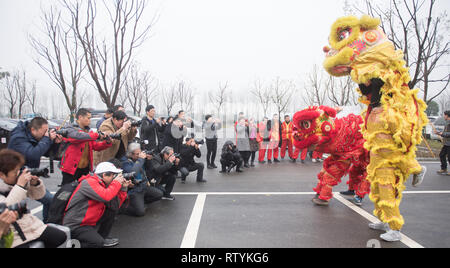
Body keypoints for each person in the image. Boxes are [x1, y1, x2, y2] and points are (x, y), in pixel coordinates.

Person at [0, 149, 67, 248]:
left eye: (19, 170)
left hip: (32, 227)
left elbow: (38, 195)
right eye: (15, 172)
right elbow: (6, 208)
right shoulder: (13, 186)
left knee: (61, 236)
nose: (18, 174)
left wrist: (34, 183)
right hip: (16, 236)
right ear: (1, 174)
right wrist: (20, 185)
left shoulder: (14, 183)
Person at [63, 162, 130, 248]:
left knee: (111, 211)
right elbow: (106, 196)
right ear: (104, 175)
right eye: (113, 175)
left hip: (88, 221)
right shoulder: (89, 182)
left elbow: (115, 206)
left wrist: (123, 188)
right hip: (76, 224)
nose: (114, 178)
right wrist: (116, 183)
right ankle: (71, 245)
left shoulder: (104, 184)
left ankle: (102, 237)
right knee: (96, 243)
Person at [8, 117, 62, 222]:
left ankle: (47, 224)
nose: (46, 133)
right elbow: (33, 154)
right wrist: (47, 139)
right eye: (44, 131)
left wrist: (55, 143)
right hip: (13, 179)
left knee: (50, 200)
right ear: (33, 129)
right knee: (15, 209)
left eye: (47, 131)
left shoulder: (34, 136)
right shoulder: (18, 138)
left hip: (28, 176)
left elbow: (45, 152)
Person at [59, 108, 112, 186]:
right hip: (70, 168)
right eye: (88, 118)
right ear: (80, 117)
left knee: (84, 191)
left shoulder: (89, 132)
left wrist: (107, 142)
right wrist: (97, 135)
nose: (90, 120)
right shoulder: (70, 129)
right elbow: (79, 137)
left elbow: (95, 146)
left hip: (85, 168)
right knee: (67, 191)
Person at [119, 143, 164, 217]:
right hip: (134, 190)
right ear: (130, 154)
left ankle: (141, 202)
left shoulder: (139, 159)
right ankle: (122, 208)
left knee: (159, 194)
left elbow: (150, 169)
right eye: (137, 154)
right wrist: (140, 159)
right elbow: (133, 172)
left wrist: (149, 160)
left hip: (143, 186)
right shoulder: (125, 162)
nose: (139, 155)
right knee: (140, 213)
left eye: (140, 153)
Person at [436, 110, 450, 176]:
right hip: (446, 143)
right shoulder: (447, 122)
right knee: (442, 155)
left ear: (447, 115)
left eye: (444, 115)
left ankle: (444, 168)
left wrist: (443, 133)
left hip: (449, 143)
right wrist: (440, 133)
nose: (444, 116)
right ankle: (444, 168)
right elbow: (446, 132)